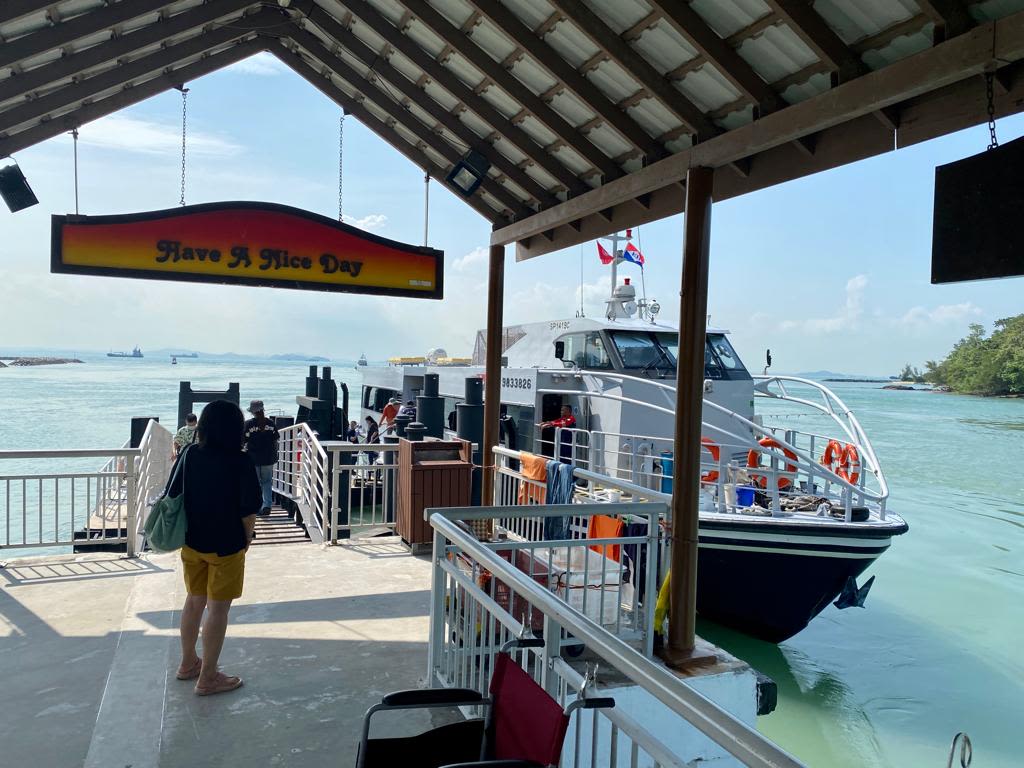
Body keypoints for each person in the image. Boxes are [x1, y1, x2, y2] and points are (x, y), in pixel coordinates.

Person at [171, 399, 261, 696]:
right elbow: (249, 509)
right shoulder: (240, 461)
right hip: (225, 545)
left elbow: (173, 492)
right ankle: (208, 677)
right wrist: (246, 540)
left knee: (194, 601)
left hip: (191, 541)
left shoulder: (188, 453)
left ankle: (188, 664)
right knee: (218, 609)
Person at [243, 400, 278, 516]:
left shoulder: (248, 424)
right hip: (268, 458)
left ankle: (258, 506)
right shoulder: (271, 423)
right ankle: (267, 505)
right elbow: (275, 439)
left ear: (253, 412)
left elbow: (244, 440)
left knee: (255, 483)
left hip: (253, 458)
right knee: (267, 482)